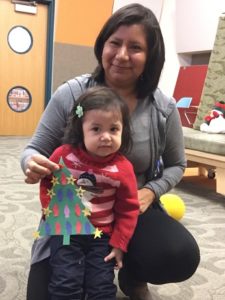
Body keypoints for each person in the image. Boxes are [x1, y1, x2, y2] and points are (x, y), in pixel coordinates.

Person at [21, 3, 200, 300]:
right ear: (102, 44)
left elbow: (177, 164)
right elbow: (34, 149)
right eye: (114, 43)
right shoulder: (72, 93)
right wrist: (31, 163)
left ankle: (133, 274)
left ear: (151, 56)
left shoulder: (163, 108)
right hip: (72, 212)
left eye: (135, 47)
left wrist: (152, 191)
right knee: (45, 293)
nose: (121, 55)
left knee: (178, 255)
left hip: (130, 205)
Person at [38, 86, 139, 299]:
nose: (105, 137)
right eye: (96, 129)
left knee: (101, 286)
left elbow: (128, 208)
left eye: (113, 129)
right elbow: (48, 183)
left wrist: (120, 243)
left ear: (123, 131)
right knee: (65, 281)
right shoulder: (63, 156)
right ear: (80, 130)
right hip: (67, 230)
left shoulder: (123, 168)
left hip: (102, 235)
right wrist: (51, 212)